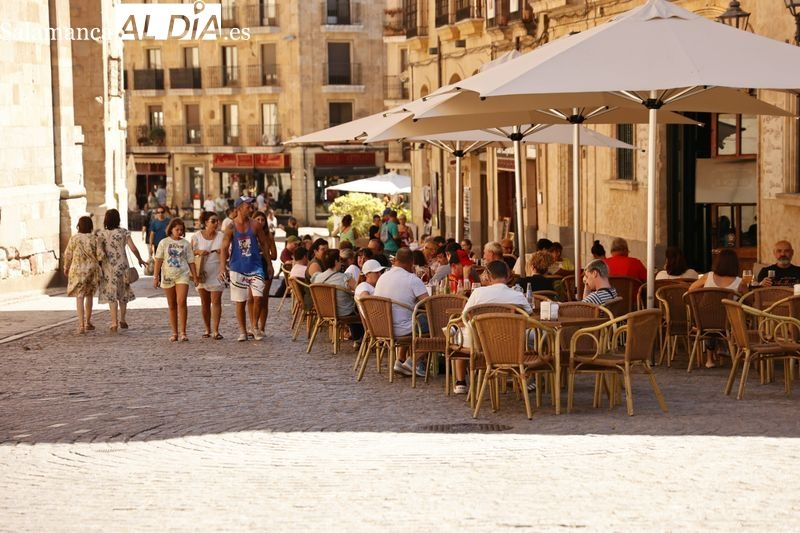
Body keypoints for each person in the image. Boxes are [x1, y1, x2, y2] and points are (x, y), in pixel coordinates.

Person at [454, 260, 533, 394]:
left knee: (459, 334)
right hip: (512, 342)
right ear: (508, 277)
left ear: (488, 276)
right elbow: (529, 316)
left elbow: (464, 317)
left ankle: (460, 381)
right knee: (537, 337)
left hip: (480, 342)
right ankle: (527, 377)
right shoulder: (517, 295)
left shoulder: (478, 293)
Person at [218, 196, 272, 342]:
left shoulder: (255, 225)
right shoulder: (231, 227)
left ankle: (254, 326)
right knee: (240, 301)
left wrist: (269, 264)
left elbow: (264, 244)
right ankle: (242, 330)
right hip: (237, 267)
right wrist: (223, 267)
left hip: (256, 267)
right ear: (240, 207)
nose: (251, 207)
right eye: (248, 205)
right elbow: (223, 248)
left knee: (258, 298)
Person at [374, 248, 429, 377]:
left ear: (395, 260)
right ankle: (413, 361)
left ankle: (400, 360)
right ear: (412, 262)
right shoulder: (412, 279)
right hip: (403, 329)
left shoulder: (382, 277)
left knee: (407, 316)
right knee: (436, 324)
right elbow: (430, 305)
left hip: (381, 327)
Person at [689, 249, 743, 367]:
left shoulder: (708, 276)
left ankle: (709, 360)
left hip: (703, 320)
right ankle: (724, 347)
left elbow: (691, 290)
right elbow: (747, 300)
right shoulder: (739, 282)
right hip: (727, 321)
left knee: (710, 318)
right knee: (725, 317)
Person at [96, 209, 146, 332]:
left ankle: (114, 323)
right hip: (123, 266)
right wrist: (140, 259)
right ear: (118, 219)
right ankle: (123, 319)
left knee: (112, 295)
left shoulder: (102, 234)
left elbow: (99, 253)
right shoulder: (124, 232)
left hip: (109, 268)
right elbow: (133, 248)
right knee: (123, 294)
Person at [153, 218, 198, 342]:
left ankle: (183, 332)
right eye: (177, 229)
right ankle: (174, 332)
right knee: (172, 305)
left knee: (181, 301)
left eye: (181, 230)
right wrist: (156, 277)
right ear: (171, 229)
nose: (179, 232)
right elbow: (158, 260)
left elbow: (191, 261)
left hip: (182, 275)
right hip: (167, 276)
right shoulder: (163, 242)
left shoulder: (185, 244)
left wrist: (194, 276)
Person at [311, 249, 362, 342]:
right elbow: (359, 290)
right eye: (340, 260)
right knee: (360, 308)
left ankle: (357, 338)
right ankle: (359, 339)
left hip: (323, 311)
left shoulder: (317, 278)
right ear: (335, 261)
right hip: (343, 312)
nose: (341, 263)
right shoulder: (345, 278)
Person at [63, 216, 100, 334]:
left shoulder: (74, 239)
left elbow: (68, 254)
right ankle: (88, 322)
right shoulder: (95, 239)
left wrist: (66, 267)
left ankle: (81, 325)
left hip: (77, 270)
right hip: (91, 271)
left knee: (79, 297)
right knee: (89, 296)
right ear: (90, 226)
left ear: (79, 226)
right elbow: (100, 255)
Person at [191, 211, 225, 340]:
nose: (216, 223)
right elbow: (189, 252)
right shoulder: (196, 236)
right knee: (205, 302)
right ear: (205, 222)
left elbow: (228, 250)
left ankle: (216, 330)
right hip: (201, 272)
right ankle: (207, 329)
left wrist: (223, 251)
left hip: (217, 271)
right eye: (213, 221)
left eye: (217, 221)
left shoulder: (221, 236)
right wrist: (199, 251)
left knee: (216, 301)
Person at [251, 210, 278, 339]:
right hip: (251, 267)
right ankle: (253, 325)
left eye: (262, 220)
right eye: (258, 220)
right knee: (252, 299)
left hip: (265, 266)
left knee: (263, 299)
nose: (260, 222)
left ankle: (262, 327)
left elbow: (274, 256)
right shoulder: (249, 234)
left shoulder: (269, 236)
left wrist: (264, 250)